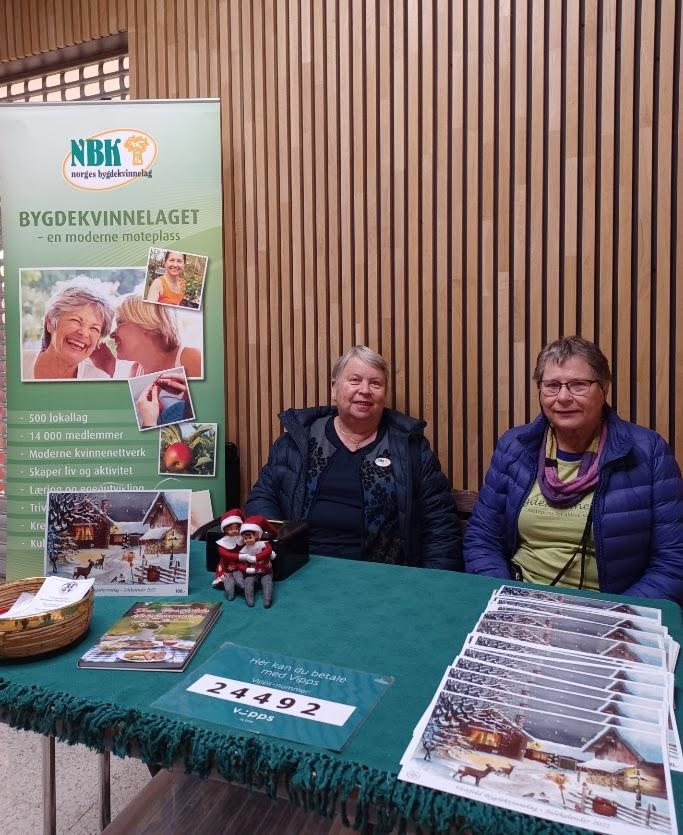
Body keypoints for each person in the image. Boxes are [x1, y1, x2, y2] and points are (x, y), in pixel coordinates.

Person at [464, 336, 683, 603]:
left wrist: (618, 613)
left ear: (604, 389)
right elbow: (483, 538)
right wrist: (507, 597)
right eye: (552, 386)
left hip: (611, 609)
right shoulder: (515, 447)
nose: (563, 397)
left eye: (578, 385)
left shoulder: (649, 452)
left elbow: (673, 560)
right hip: (520, 600)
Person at [245, 345, 461, 569]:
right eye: (355, 380)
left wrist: (434, 583)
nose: (365, 390)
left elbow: (440, 525)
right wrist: (280, 550)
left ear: (384, 394)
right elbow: (263, 497)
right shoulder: (298, 440)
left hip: (380, 575)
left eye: (375, 383)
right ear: (334, 388)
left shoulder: (411, 448)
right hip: (300, 567)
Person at [91, 295, 201, 378]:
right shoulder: (135, 372)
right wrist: (107, 373)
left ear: (146, 325)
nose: (111, 335)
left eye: (119, 323)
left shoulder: (189, 358)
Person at [23, 284, 114, 380]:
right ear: (50, 322)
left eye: (94, 328)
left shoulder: (100, 380)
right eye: (76, 320)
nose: (84, 333)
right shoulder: (16, 363)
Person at [238, 516, 276, 608]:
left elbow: (268, 550)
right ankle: (250, 601)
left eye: (250, 537)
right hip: (252, 573)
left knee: (267, 583)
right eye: (245, 538)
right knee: (248, 582)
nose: (248, 540)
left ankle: (267, 601)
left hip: (265, 571)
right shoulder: (243, 550)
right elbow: (239, 564)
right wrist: (246, 569)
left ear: (256, 536)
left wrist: (256, 558)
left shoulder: (262, 544)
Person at [212, 509, 244, 595]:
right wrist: (238, 556)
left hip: (240, 562)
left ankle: (241, 584)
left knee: (241, 574)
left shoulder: (241, 538)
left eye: (236, 528)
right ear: (225, 530)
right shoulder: (223, 541)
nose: (234, 531)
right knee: (227, 575)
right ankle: (228, 586)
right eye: (231, 529)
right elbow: (223, 553)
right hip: (227, 563)